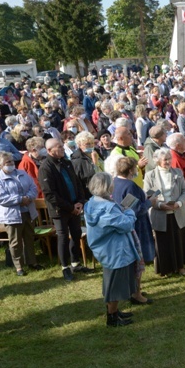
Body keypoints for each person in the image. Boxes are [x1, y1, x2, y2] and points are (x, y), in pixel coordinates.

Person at [83, 172, 137, 327]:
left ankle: (114, 311)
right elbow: (126, 225)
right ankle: (112, 317)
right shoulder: (108, 208)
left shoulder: (92, 202)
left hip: (105, 248)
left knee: (111, 282)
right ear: (106, 186)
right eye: (111, 183)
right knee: (115, 286)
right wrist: (128, 211)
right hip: (115, 250)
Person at [39, 138, 90, 281]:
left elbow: (77, 183)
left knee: (76, 233)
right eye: (59, 147)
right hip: (60, 210)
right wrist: (70, 207)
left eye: (62, 146)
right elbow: (50, 194)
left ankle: (75, 263)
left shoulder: (67, 163)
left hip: (75, 207)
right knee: (63, 237)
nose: (63, 148)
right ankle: (65, 267)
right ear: (50, 150)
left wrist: (80, 201)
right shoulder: (46, 168)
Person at [113, 157, 156, 305]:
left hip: (125, 226)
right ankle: (136, 293)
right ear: (131, 170)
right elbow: (135, 209)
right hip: (136, 227)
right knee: (138, 261)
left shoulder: (115, 182)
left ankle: (134, 289)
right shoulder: (129, 185)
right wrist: (150, 202)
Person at [143, 147, 185, 276]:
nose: (168, 161)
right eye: (165, 159)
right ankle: (167, 269)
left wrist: (179, 203)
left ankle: (181, 266)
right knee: (164, 243)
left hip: (178, 213)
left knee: (180, 241)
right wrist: (159, 204)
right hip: (160, 215)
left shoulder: (177, 172)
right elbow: (148, 195)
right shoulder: (150, 176)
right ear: (158, 161)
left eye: (169, 158)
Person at [0, 151, 43, 276]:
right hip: (12, 215)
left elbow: (33, 188)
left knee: (29, 238)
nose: (11, 163)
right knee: (15, 241)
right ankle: (19, 266)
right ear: (1, 165)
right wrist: (20, 200)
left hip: (28, 212)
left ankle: (32, 262)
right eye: (8, 162)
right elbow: (1, 197)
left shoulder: (22, 173)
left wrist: (28, 197)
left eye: (12, 161)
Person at [70, 131, 102, 198]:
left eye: (92, 143)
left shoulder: (97, 153)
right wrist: (94, 163)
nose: (90, 146)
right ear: (79, 145)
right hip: (89, 194)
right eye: (87, 144)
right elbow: (89, 176)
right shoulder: (77, 160)